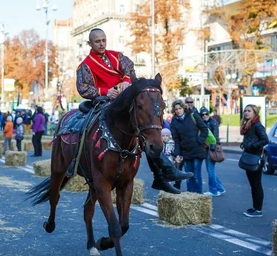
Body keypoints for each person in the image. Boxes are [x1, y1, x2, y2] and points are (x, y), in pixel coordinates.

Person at [76, 28, 191, 194]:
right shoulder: (85, 66)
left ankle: (161, 174)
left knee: (145, 129)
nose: (101, 44)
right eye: (97, 41)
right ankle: (79, 159)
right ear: (90, 43)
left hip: (124, 100)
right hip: (104, 102)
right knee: (89, 126)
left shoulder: (117, 56)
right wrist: (105, 91)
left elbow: (129, 69)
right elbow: (83, 88)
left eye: (103, 40)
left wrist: (126, 81)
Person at [170, 99, 208, 194]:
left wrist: (199, 140)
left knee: (196, 176)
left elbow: (204, 129)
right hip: (185, 152)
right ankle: (191, 196)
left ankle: (199, 197)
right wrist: (177, 154)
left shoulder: (193, 115)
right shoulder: (174, 122)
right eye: (176, 109)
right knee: (188, 176)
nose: (178, 111)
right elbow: (176, 140)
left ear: (184, 108)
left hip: (197, 150)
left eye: (180, 108)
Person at [240, 105, 269, 217]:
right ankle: (255, 207)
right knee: (253, 185)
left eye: (249, 111)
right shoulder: (248, 125)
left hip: (255, 157)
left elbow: (265, 139)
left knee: (256, 184)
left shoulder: (257, 125)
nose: (246, 113)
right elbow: (250, 138)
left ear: (255, 113)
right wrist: (244, 144)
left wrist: (252, 146)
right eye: (245, 111)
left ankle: (258, 210)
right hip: (249, 156)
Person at [200, 106, 225, 196]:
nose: (204, 116)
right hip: (207, 149)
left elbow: (215, 136)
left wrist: (213, 147)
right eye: (202, 114)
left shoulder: (213, 122)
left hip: (211, 149)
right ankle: (220, 188)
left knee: (210, 171)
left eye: (206, 114)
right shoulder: (203, 123)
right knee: (211, 171)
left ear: (208, 114)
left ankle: (213, 191)